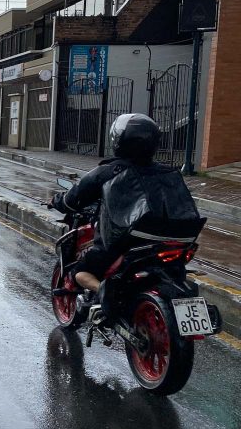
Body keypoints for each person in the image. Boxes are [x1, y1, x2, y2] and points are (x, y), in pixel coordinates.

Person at [49, 113, 199, 313]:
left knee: (80, 272)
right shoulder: (169, 172)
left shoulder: (108, 171)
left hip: (127, 241)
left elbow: (73, 199)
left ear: (118, 140)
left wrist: (56, 201)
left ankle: (104, 291)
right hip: (177, 239)